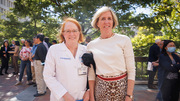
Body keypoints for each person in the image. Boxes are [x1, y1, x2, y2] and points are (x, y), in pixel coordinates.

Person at [85, 6, 135, 101]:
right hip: (100, 89)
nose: (106, 22)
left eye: (109, 18)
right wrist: (91, 96)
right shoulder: (91, 45)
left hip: (122, 89)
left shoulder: (124, 40)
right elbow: (91, 73)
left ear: (113, 22)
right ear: (97, 23)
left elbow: (131, 70)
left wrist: (129, 95)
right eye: (103, 19)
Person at [43, 18, 89, 101]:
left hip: (81, 97)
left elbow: (92, 74)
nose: (72, 34)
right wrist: (64, 95)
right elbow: (48, 75)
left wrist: (88, 91)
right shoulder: (54, 50)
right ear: (63, 33)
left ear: (79, 33)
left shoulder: (86, 50)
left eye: (75, 30)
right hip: (61, 98)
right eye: (68, 31)